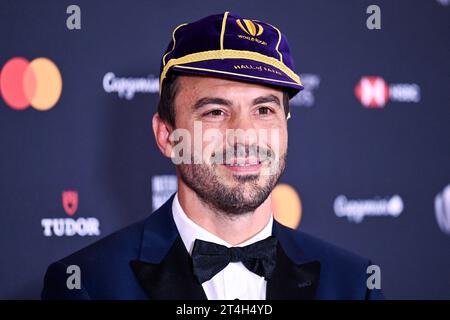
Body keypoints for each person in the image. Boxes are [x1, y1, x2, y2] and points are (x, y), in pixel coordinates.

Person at [42, 12, 384, 300]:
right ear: (166, 136)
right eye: (215, 112)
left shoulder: (355, 285)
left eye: (264, 110)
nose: (246, 134)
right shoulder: (87, 285)